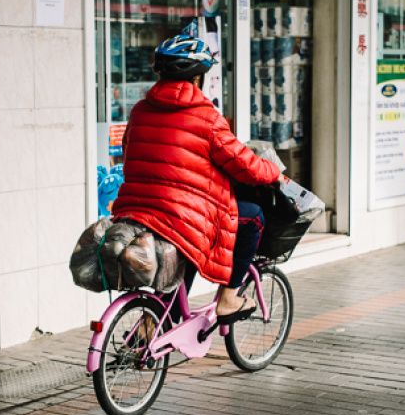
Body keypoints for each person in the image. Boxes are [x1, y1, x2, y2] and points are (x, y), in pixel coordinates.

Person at [110, 34, 282, 324]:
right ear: (198, 78)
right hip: (178, 213)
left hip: (137, 210)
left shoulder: (139, 110)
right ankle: (229, 299)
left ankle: (154, 323)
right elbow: (246, 166)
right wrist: (274, 171)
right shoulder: (206, 118)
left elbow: (130, 154)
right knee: (252, 217)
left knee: (187, 240)